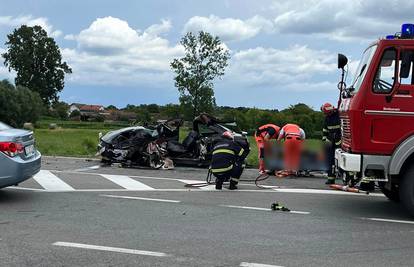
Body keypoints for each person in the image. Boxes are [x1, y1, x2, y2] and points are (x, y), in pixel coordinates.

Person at [320, 103, 342, 185]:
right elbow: (325, 131)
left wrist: (339, 142)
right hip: (330, 141)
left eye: (327, 113)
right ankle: (330, 179)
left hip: (339, 141)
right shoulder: (327, 118)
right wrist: (324, 143)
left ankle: (347, 178)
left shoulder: (339, 114)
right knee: (329, 160)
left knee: (340, 160)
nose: (326, 114)